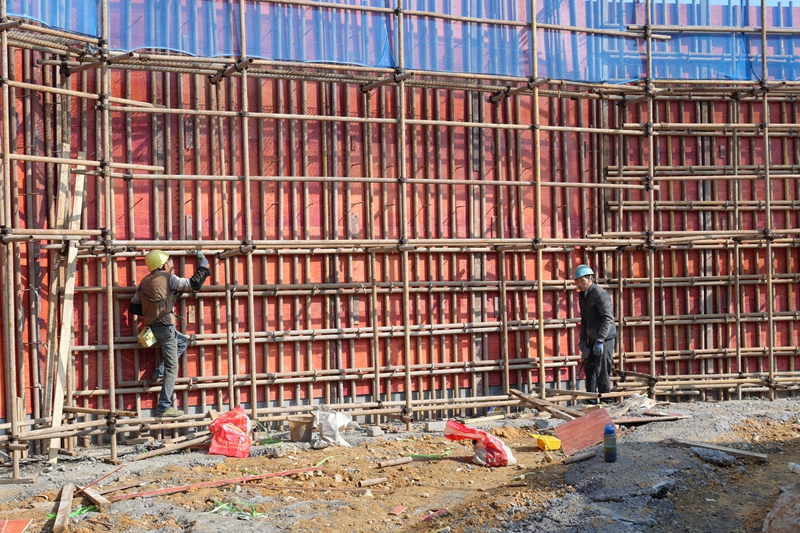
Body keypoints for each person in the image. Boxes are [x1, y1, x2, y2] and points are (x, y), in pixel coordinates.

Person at [130, 249, 210, 417]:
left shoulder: (143, 283)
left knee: (183, 341)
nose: (171, 263)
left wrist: (156, 309)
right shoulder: (169, 278)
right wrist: (203, 265)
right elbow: (194, 284)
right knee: (172, 367)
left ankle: (159, 373)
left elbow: (134, 307)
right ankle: (164, 407)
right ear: (163, 265)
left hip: (153, 329)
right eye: (169, 261)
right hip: (166, 327)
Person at [575, 264, 617, 401]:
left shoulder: (600, 294)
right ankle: (591, 400)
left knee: (603, 370)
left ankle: (606, 401)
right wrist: (582, 339)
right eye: (578, 281)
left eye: (582, 281)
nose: (580, 284)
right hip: (592, 338)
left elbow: (608, 319)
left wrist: (600, 340)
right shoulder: (583, 296)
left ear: (591, 279)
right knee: (590, 370)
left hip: (605, 338)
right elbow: (584, 319)